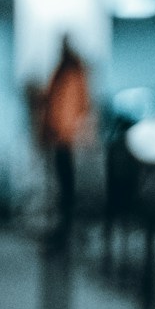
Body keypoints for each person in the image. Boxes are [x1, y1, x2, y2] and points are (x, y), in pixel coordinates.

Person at [33, 37, 95, 232]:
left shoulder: (74, 74)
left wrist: (77, 130)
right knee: (62, 180)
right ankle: (64, 220)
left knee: (68, 182)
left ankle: (68, 222)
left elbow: (77, 106)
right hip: (58, 135)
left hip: (66, 136)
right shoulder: (61, 73)